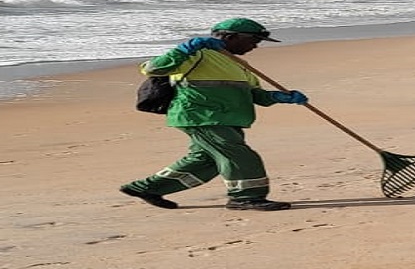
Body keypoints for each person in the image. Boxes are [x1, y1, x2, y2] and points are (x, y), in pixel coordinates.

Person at [117, 18, 309, 213]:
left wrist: (279, 96)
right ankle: (245, 197)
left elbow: (255, 95)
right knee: (240, 156)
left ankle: (148, 188)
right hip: (200, 116)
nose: (255, 46)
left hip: (228, 119)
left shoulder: (240, 64)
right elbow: (152, 68)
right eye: (253, 40)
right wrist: (185, 49)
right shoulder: (197, 55)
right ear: (230, 37)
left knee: (206, 161)